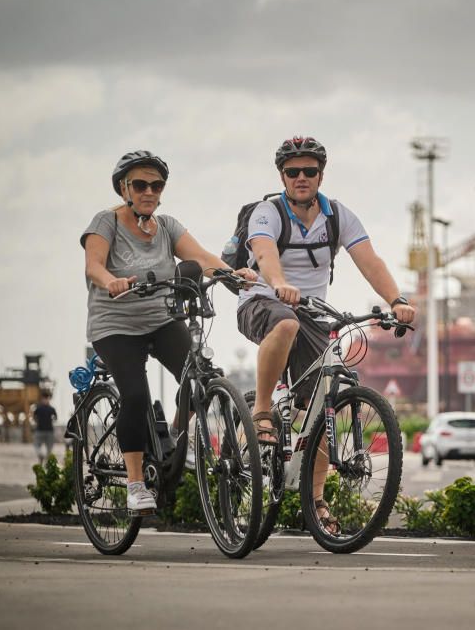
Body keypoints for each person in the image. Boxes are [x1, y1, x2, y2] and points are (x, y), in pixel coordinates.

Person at [237, 136, 416, 532]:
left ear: (321, 174)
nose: (301, 178)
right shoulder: (267, 213)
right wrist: (280, 282)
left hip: (313, 313)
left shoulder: (337, 216)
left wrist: (396, 299)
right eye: (292, 172)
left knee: (319, 407)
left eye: (309, 171)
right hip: (263, 301)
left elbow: (369, 260)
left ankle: (315, 502)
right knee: (286, 322)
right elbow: (264, 253)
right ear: (282, 175)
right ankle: (262, 410)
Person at [81, 150, 257, 514]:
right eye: (141, 184)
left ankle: (176, 439)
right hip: (115, 326)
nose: (149, 191)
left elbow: (204, 259)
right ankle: (135, 484)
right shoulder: (106, 223)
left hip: (161, 319)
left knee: (202, 378)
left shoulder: (167, 226)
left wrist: (230, 274)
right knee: (134, 395)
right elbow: (93, 265)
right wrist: (111, 281)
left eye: (156, 185)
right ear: (124, 188)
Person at [31, 389, 57, 463]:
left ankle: (40, 455)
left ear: (41, 398)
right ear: (48, 398)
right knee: (49, 448)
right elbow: (55, 418)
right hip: (49, 430)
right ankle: (47, 463)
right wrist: (51, 420)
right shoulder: (52, 409)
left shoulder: (38, 408)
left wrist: (37, 421)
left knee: (36, 445)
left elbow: (34, 417)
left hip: (39, 430)